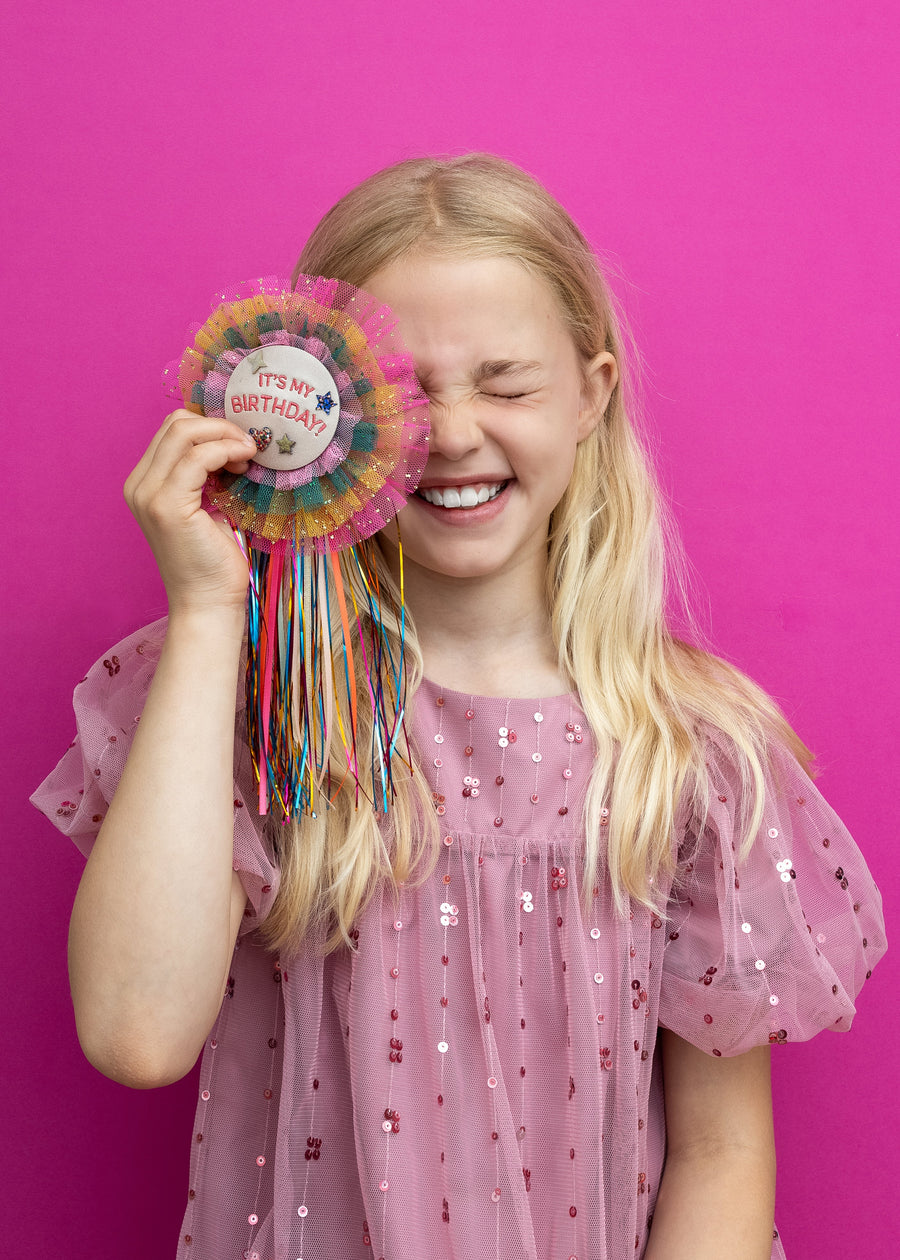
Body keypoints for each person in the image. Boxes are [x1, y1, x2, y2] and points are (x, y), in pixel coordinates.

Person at [32, 154, 885, 1260]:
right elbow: (135, 1034)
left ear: (593, 393)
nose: (457, 430)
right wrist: (209, 610)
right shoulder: (248, 711)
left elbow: (723, 1154)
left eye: (507, 381)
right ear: (325, 415)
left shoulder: (691, 752)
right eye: (405, 392)